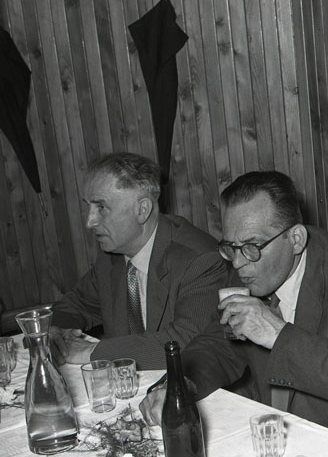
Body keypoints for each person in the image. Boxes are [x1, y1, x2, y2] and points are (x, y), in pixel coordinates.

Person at [140, 170, 328, 432]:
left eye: (252, 246)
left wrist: (278, 335)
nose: (238, 262)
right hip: (267, 432)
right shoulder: (244, 266)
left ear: (296, 239)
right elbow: (219, 344)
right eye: (230, 247)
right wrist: (180, 383)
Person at [50, 152, 228, 370]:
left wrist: (90, 352)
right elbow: (75, 305)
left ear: (142, 210)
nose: (90, 221)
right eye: (88, 206)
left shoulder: (199, 260)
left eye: (101, 207)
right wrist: (55, 332)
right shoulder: (111, 256)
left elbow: (188, 342)